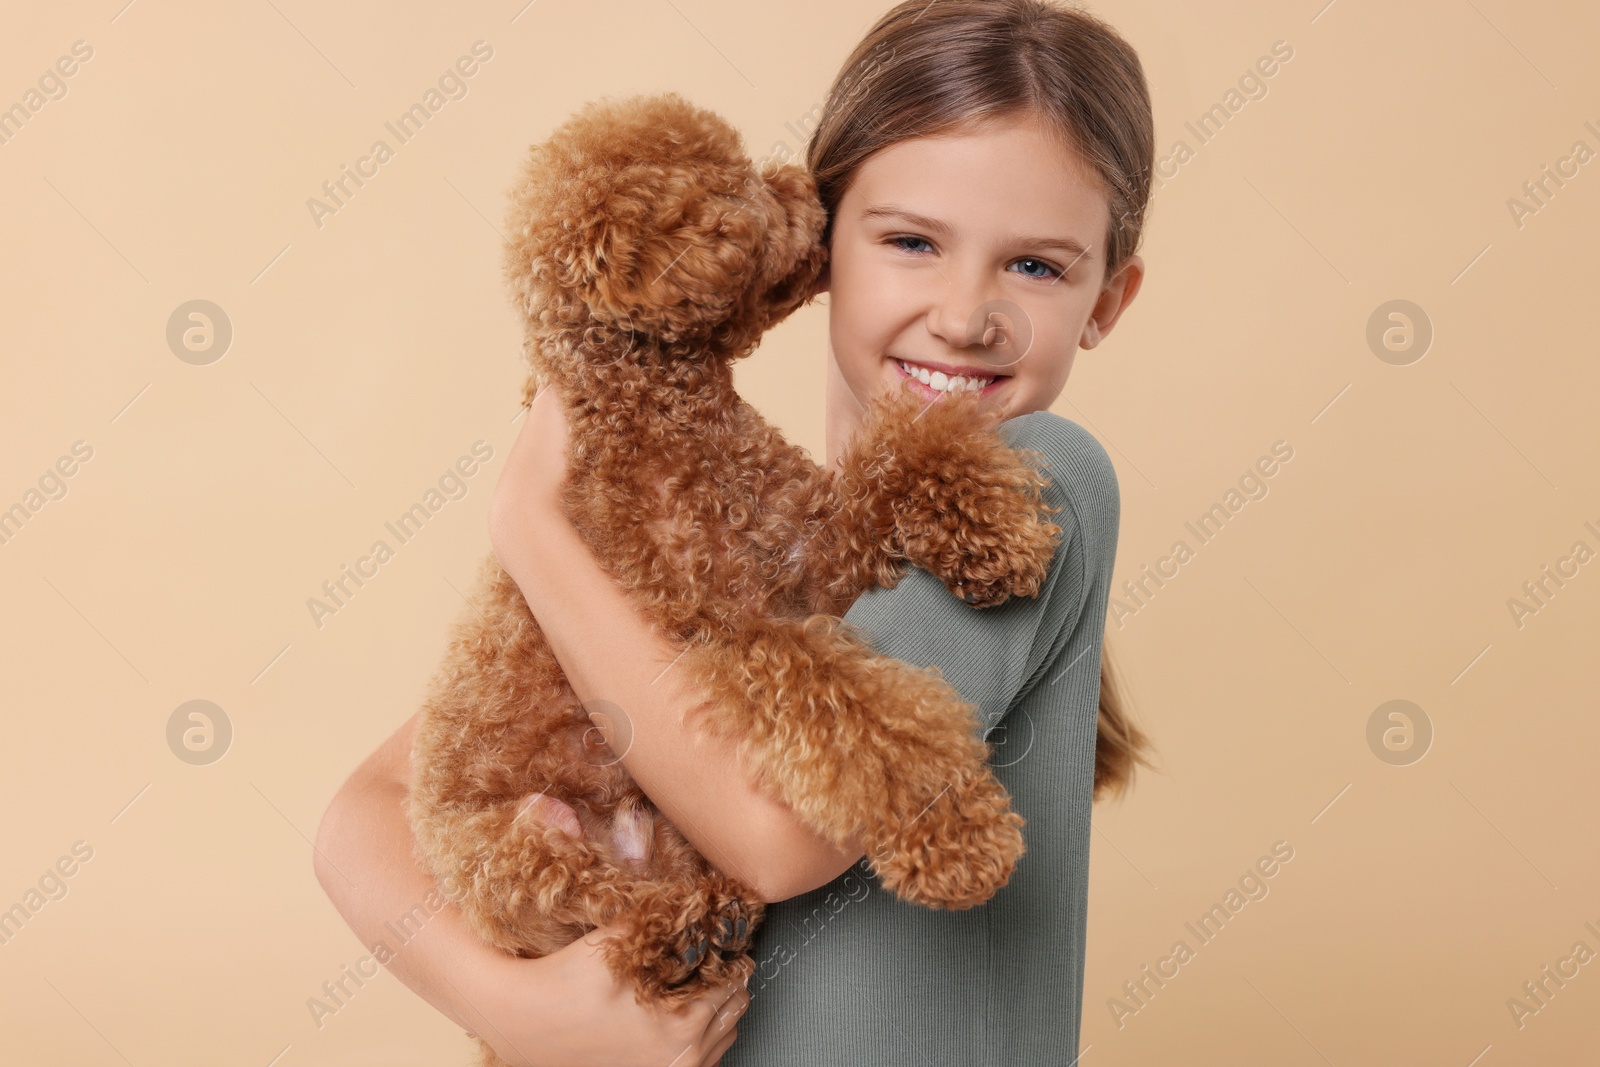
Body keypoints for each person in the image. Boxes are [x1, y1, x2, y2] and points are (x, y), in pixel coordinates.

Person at [313, 1, 1156, 1063]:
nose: (963, 312)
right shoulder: (742, 538)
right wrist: (514, 1007)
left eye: (1035, 265)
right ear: (815, 246)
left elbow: (773, 836)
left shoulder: (1043, 477)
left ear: (1106, 299)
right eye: (909, 241)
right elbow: (365, 810)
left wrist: (528, 521)